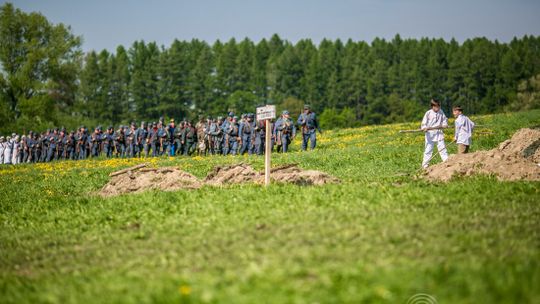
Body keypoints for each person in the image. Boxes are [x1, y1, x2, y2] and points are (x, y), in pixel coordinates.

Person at [421, 99, 449, 168]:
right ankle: (425, 165)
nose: (437, 108)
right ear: (432, 106)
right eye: (436, 106)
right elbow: (423, 123)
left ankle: (447, 162)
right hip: (430, 134)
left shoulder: (441, 112)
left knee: (442, 149)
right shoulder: (428, 113)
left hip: (439, 133)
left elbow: (444, 120)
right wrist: (425, 127)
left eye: (438, 106)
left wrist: (445, 124)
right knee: (428, 150)